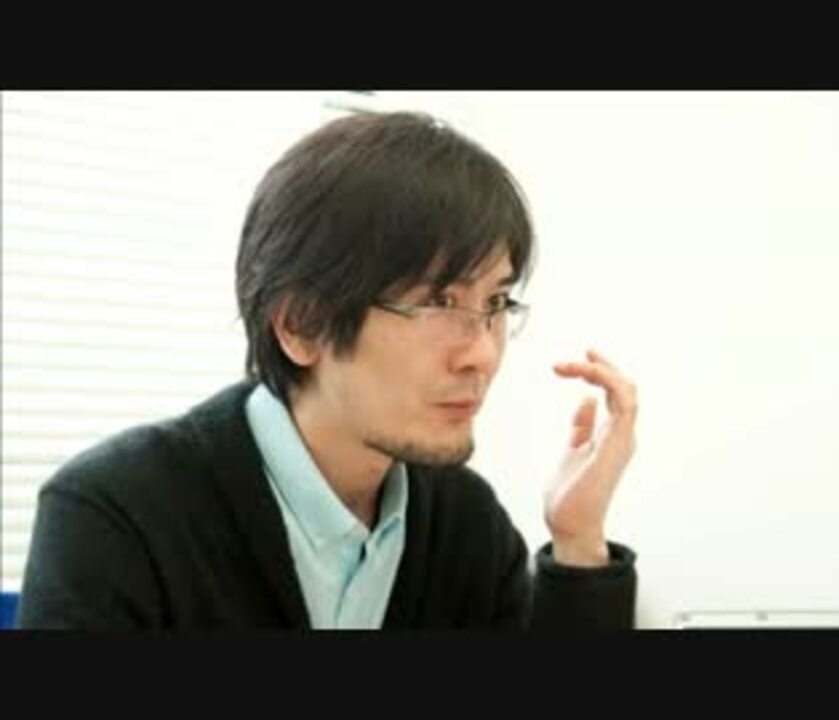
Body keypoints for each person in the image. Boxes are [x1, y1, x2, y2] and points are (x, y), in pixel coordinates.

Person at [17, 110, 639, 629]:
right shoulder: (115, 515)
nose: (483, 352)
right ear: (300, 325)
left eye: (496, 302)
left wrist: (578, 540)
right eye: (438, 301)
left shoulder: (465, 525)